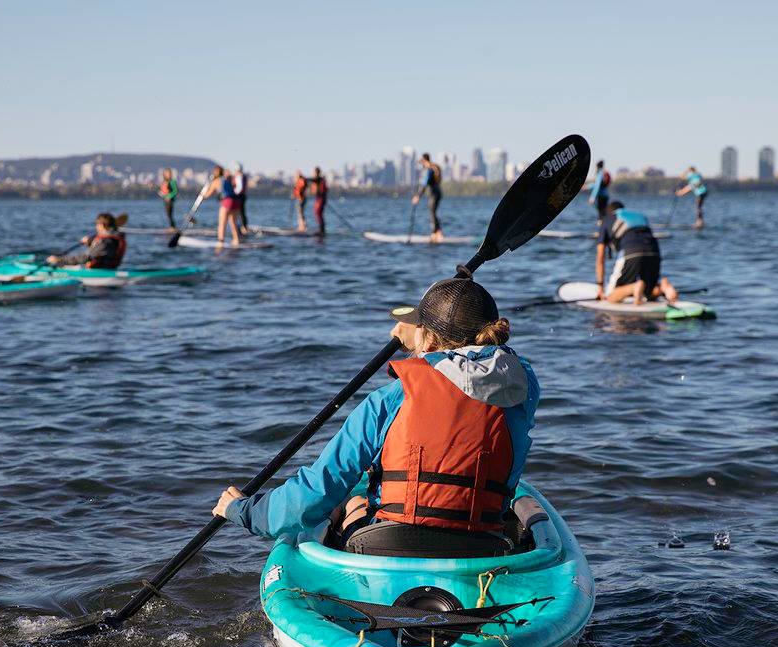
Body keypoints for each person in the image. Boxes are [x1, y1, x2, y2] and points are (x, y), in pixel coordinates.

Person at [211, 275, 539, 552]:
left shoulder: (390, 399)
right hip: (482, 548)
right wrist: (427, 343)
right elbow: (485, 366)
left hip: (391, 549)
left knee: (349, 504)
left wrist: (245, 510)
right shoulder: (521, 392)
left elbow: (315, 493)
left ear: (426, 337)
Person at [595, 200, 678, 305]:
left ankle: (634, 287)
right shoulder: (639, 216)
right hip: (654, 250)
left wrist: (600, 286)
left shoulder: (607, 219)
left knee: (610, 297)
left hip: (631, 251)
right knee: (648, 293)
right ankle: (663, 287)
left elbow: (600, 257)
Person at [47, 213, 126, 269]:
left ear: (102, 225)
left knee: (57, 264)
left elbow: (86, 257)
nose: (96, 227)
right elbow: (101, 249)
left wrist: (60, 260)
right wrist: (91, 241)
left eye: (97, 224)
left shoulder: (106, 241)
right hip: (106, 268)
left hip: (98, 271)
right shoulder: (111, 239)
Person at [200, 165, 240, 245]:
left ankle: (220, 241)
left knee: (222, 223)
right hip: (235, 202)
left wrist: (202, 196)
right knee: (233, 222)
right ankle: (236, 240)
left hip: (226, 202)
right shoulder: (227, 179)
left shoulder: (216, 181)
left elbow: (208, 194)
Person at [411, 153, 444, 242]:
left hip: (434, 194)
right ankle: (437, 233)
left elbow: (424, 184)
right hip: (437, 193)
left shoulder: (428, 170)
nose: (421, 164)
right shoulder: (433, 168)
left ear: (424, 161)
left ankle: (435, 234)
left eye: (421, 162)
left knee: (432, 212)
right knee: (433, 212)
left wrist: (417, 196)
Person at [308, 166, 328, 236]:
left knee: (318, 213)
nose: (313, 173)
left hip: (321, 199)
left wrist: (303, 178)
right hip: (319, 199)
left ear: (317, 172)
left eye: (314, 172)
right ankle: (321, 229)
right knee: (317, 213)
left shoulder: (319, 179)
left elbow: (314, 180)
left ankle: (321, 230)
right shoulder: (319, 179)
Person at [231, 162, 249, 234]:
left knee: (240, 213)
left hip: (239, 197)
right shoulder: (242, 176)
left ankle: (243, 228)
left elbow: (239, 188)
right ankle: (243, 227)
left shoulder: (239, 176)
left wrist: (234, 193)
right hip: (242, 196)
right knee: (241, 213)